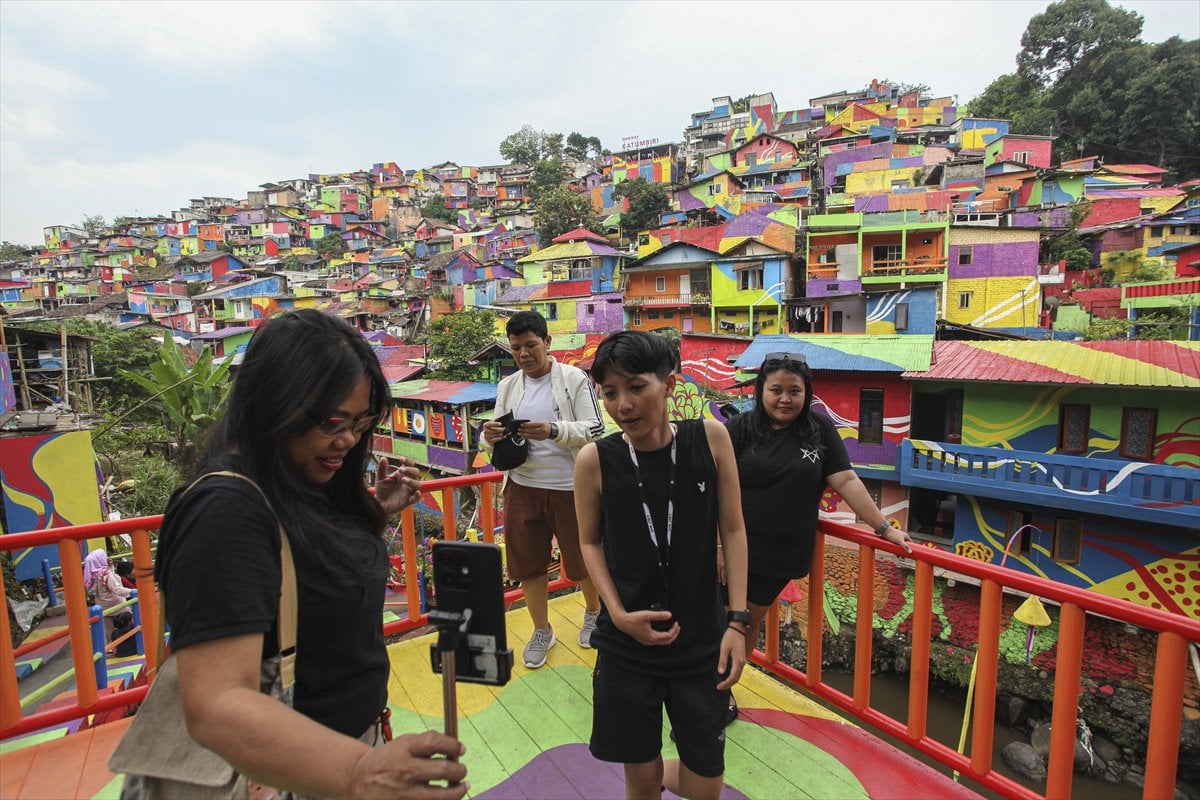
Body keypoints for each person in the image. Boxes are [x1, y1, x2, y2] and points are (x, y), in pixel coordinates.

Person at [155, 309, 467, 799]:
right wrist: (361, 772)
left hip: (347, 744)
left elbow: (302, 574)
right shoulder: (224, 511)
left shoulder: (302, 478)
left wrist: (374, 514)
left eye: (361, 423)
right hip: (286, 773)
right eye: (331, 422)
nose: (348, 440)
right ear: (276, 403)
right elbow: (216, 702)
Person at [574, 331, 750, 800]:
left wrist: (737, 621)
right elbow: (589, 543)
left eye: (635, 387)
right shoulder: (595, 460)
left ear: (668, 385)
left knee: (704, 784)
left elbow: (733, 530)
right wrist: (618, 615)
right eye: (609, 392)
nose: (622, 404)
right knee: (640, 778)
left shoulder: (710, 438)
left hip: (701, 642)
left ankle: (662, 775)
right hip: (627, 645)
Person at [724, 351, 913, 667]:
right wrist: (716, 542)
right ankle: (704, 685)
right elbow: (712, 485)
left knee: (746, 621)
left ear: (806, 392)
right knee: (718, 620)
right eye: (776, 390)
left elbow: (846, 479)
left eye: (794, 391)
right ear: (761, 390)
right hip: (730, 547)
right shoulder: (739, 429)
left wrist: (885, 528)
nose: (785, 399)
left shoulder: (819, 429)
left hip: (779, 554)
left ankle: (726, 686)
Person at [481, 310, 605, 668]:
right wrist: (487, 436)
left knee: (583, 560)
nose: (523, 354)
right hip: (522, 486)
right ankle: (541, 630)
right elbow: (494, 439)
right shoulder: (508, 387)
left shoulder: (573, 378)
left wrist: (554, 431)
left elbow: (595, 428)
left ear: (547, 342)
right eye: (516, 348)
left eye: (531, 345)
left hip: (571, 487)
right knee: (528, 566)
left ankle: (593, 612)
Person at [83, 548, 131, 634]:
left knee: (109, 630)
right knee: (132, 621)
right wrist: (133, 591)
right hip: (117, 604)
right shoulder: (105, 574)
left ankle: (111, 646)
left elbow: (105, 584)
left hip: (102, 606)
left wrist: (110, 567)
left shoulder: (91, 575)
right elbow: (117, 589)